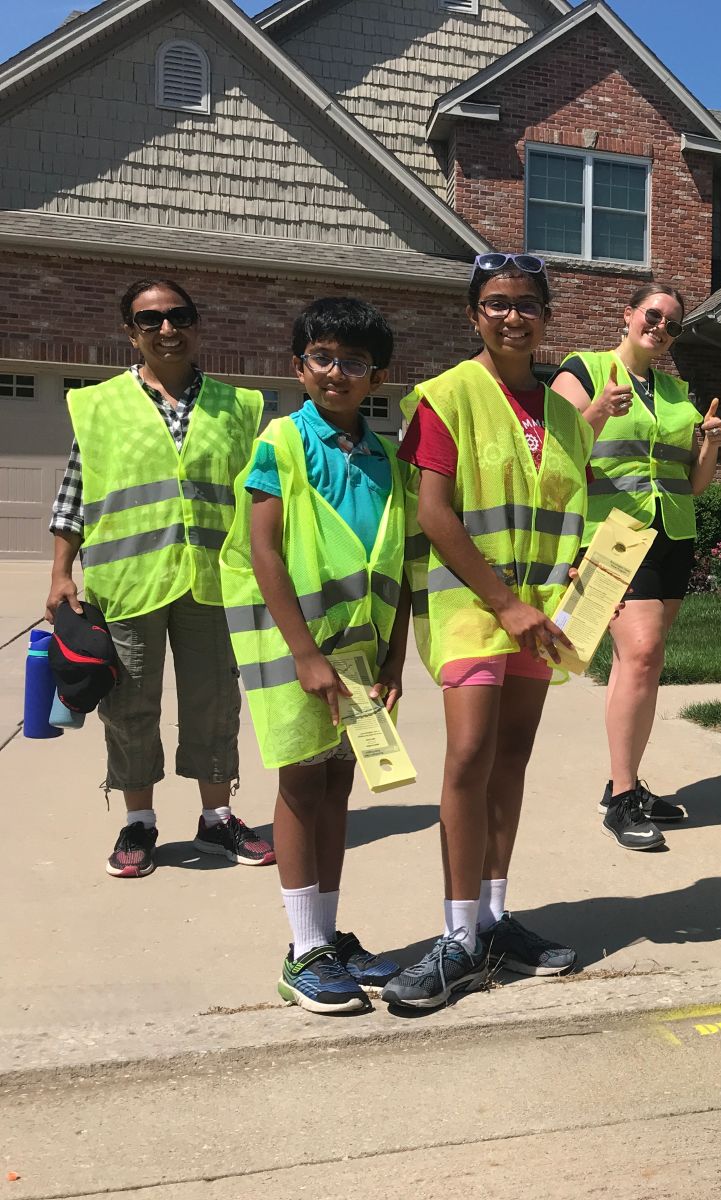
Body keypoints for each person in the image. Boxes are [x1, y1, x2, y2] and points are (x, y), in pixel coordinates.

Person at [381, 254, 587, 1010]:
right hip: (476, 609)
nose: (512, 316)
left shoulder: (565, 416)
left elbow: (565, 513)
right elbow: (435, 514)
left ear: (545, 316)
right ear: (474, 315)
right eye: (496, 303)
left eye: (527, 303)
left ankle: (496, 917)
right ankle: (458, 937)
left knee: (513, 758)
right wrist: (503, 602)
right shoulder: (446, 397)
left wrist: (572, 574)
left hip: (540, 617)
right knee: (469, 757)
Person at [220, 298, 412, 1014]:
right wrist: (303, 651)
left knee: (339, 791)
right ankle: (303, 954)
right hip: (296, 653)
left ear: (377, 375)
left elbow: (397, 565)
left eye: (354, 362)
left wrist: (395, 662)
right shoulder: (281, 443)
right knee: (302, 789)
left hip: (360, 657)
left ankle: (327, 936)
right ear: (298, 367)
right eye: (323, 358)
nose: (338, 372)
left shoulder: (387, 457)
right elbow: (263, 550)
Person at [45, 279, 274, 878]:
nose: (167, 329)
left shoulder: (239, 407)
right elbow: (75, 495)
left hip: (213, 583)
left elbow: (261, 494)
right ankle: (139, 821)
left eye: (179, 316)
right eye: (151, 321)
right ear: (131, 332)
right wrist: (60, 573)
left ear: (197, 325)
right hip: (129, 582)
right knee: (129, 705)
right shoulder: (98, 406)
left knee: (214, 703)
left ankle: (216, 818)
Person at [550, 284, 721, 851]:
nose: (660, 328)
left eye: (672, 324)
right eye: (653, 316)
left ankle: (624, 786)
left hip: (673, 533)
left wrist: (711, 446)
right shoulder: (583, 371)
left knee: (642, 663)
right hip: (611, 536)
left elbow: (695, 485)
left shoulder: (678, 391)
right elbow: (551, 458)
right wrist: (595, 414)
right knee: (642, 653)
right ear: (628, 316)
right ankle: (622, 796)